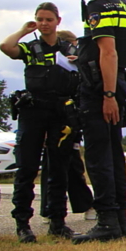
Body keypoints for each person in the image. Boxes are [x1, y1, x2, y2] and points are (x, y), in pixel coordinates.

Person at [71, 0, 126, 244]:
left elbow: (108, 52)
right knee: (114, 154)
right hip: (119, 82)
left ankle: (106, 222)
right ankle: (120, 220)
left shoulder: (96, 7)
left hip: (102, 89)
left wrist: (107, 95)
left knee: (99, 156)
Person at [0, 3, 80, 242]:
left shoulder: (68, 48)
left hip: (60, 112)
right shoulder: (30, 47)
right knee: (26, 168)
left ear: (58, 21)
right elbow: (6, 47)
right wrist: (24, 30)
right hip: (33, 111)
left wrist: (77, 58)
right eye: (40, 19)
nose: (44, 23)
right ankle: (22, 224)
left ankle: (57, 222)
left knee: (59, 169)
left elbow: (84, 65)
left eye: (48, 19)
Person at [39, 30, 94, 221]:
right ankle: (53, 209)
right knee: (61, 165)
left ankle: (79, 205)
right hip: (56, 116)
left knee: (69, 164)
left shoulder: (76, 64)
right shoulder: (50, 66)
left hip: (70, 118)